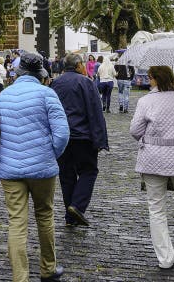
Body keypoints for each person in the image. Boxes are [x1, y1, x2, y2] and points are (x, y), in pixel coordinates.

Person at [0, 53, 69, 282]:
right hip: (43, 168)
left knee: (16, 221)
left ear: (19, 72)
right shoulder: (47, 94)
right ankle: (48, 268)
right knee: (45, 215)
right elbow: (62, 133)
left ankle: (20, 277)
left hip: (11, 169)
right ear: (40, 73)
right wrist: (50, 154)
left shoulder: (4, 96)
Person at [131, 66, 174, 269]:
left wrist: (151, 136)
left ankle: (165, 257)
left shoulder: (146, 101)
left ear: (155, 79)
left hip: (154, 158)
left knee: (156, 208)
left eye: (150, 78)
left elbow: (135, 130)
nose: (148, 82)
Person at [50, 53, 109, 226]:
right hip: (83, 136)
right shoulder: (86, 82)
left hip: (62, 136)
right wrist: (100, 139)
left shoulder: (55, 83)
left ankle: (70, 217)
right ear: (78, 66)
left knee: (67, 176)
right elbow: (95, 112)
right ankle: (76, 206)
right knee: (88, 171)